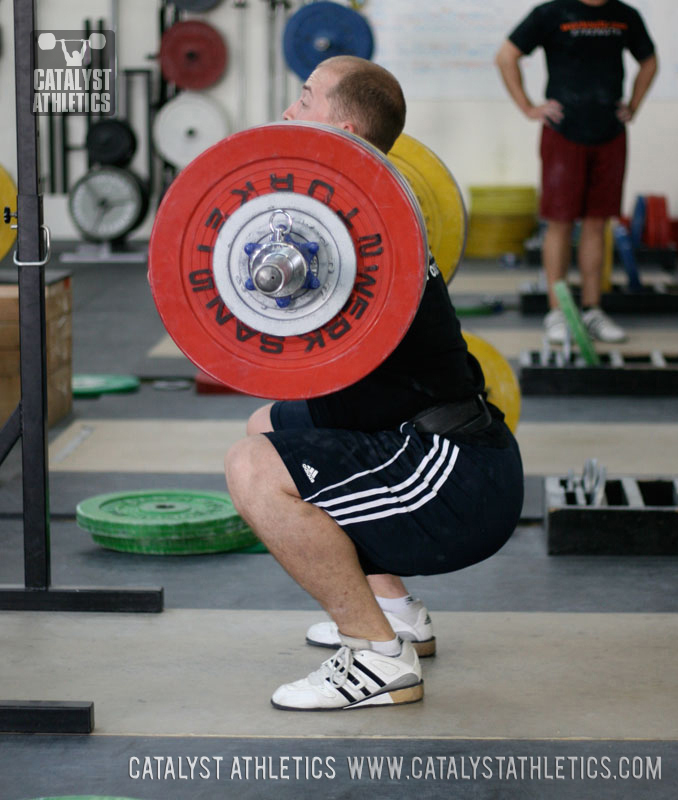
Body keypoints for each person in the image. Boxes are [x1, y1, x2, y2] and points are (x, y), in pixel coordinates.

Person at [224, 55, 524, 711]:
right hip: (424, 437)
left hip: (454, 475)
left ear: (349, 133)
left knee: (253, 468)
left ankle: (377, 658)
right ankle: (396, 611)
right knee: (265, 427)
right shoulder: (347, 224)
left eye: (304, 99)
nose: (286, 112)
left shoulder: (371, 237)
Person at [495, 0, 657, 344]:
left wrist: (633, 105)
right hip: (563, 134)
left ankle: (592, 310)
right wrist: (527, 106)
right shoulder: (551, 13)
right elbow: (506, 56)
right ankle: (558, 313)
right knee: (560, 223)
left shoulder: (625, 15)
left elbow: (649, 61)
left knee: (598, 224)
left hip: (609, 133)